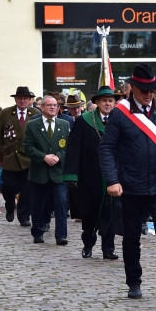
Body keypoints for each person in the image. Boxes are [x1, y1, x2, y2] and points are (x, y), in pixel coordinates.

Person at [99, 65, 156, 300]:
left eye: (152, 89)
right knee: (131, 236)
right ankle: (134, 282)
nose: (149, 94)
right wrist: (112, 180)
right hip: (131, 185)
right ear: (132, 89)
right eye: (143, 90)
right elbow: (107, 148)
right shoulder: (120, 114)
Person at [63, 86, 120, 259]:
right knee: (90, 214)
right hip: (90, 175)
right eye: (104, 101)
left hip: (113, 175)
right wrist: (72, 175)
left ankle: (108, 248)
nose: (108, 104)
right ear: (97, 102)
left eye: (110, 101)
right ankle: (88, 243)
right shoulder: (84, 121)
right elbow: (73, 149)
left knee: (111, 212)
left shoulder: (120, 120)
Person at [24, 95, 71, 246]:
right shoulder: (33, 125)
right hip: (40, 172)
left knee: (61, 204)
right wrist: (43, 157)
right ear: (42, 107)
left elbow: (70, 147)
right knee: (39, 205)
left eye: (55, 105)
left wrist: (58, 156)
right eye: (49, 105)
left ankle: (61, 235)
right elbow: (28, 147)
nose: (52, 107)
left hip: (58, 173)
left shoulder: (64, 124)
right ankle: (37, 232)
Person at [0, 86, 41, 226]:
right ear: (15, 99)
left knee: (27, 190)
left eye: (25, 99)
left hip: (29, 159)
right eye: (20, 98)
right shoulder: (6, 113)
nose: (22, 101)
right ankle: (9, 205)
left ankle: (23, 216)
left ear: (30, 100)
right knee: (8, 187)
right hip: (10, 158)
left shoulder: (36, 113)